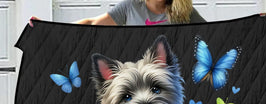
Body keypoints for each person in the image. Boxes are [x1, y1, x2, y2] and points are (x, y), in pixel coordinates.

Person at [29, 0, 206, 27]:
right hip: (135, 81)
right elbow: (92, 23)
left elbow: (212, 34)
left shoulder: (184, 12)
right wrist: (47, 26)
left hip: (168, 83)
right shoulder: (130, 6)